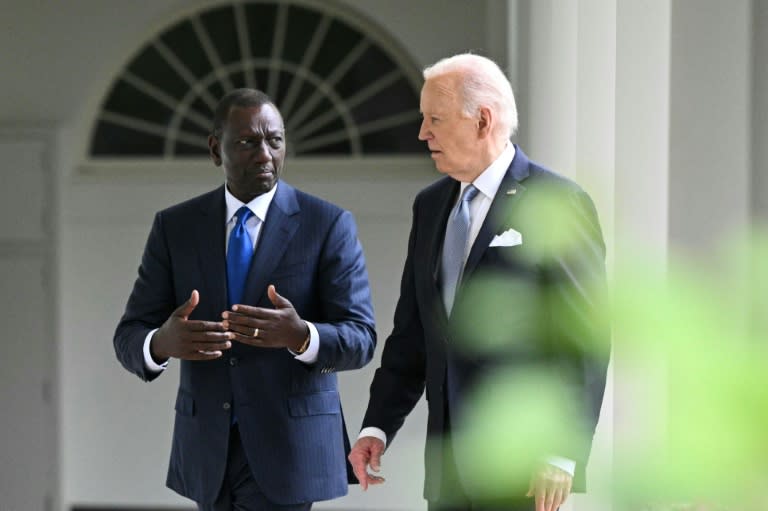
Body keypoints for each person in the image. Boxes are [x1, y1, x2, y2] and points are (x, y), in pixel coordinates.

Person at [348, 53, 610, 511]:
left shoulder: (558, 201)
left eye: (435, 119)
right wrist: (377, 427)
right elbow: (414, 334)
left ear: (483, 120)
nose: (422, 133)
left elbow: (583, 337)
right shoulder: (429, 206)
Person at [114, 88, 376, 511]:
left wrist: (301, 336)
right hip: (207, 452)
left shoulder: (326, 224)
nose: (265, 154)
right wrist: (160, 344)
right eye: (248, 142)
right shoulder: (175, 227)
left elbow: (361, 339)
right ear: (216, 150)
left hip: (289, 453)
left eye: (275, 140)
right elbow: (129, 336)